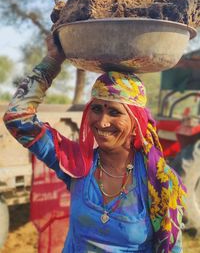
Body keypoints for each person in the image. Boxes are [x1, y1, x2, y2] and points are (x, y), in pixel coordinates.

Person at [3, 34, 186, 253]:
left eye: (115, 112)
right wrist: (52, 61)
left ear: (137, 121)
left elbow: (171, 248)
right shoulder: (76, 163)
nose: (102, 121)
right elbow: (17, 118)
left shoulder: (158, 180)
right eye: (96, 109)